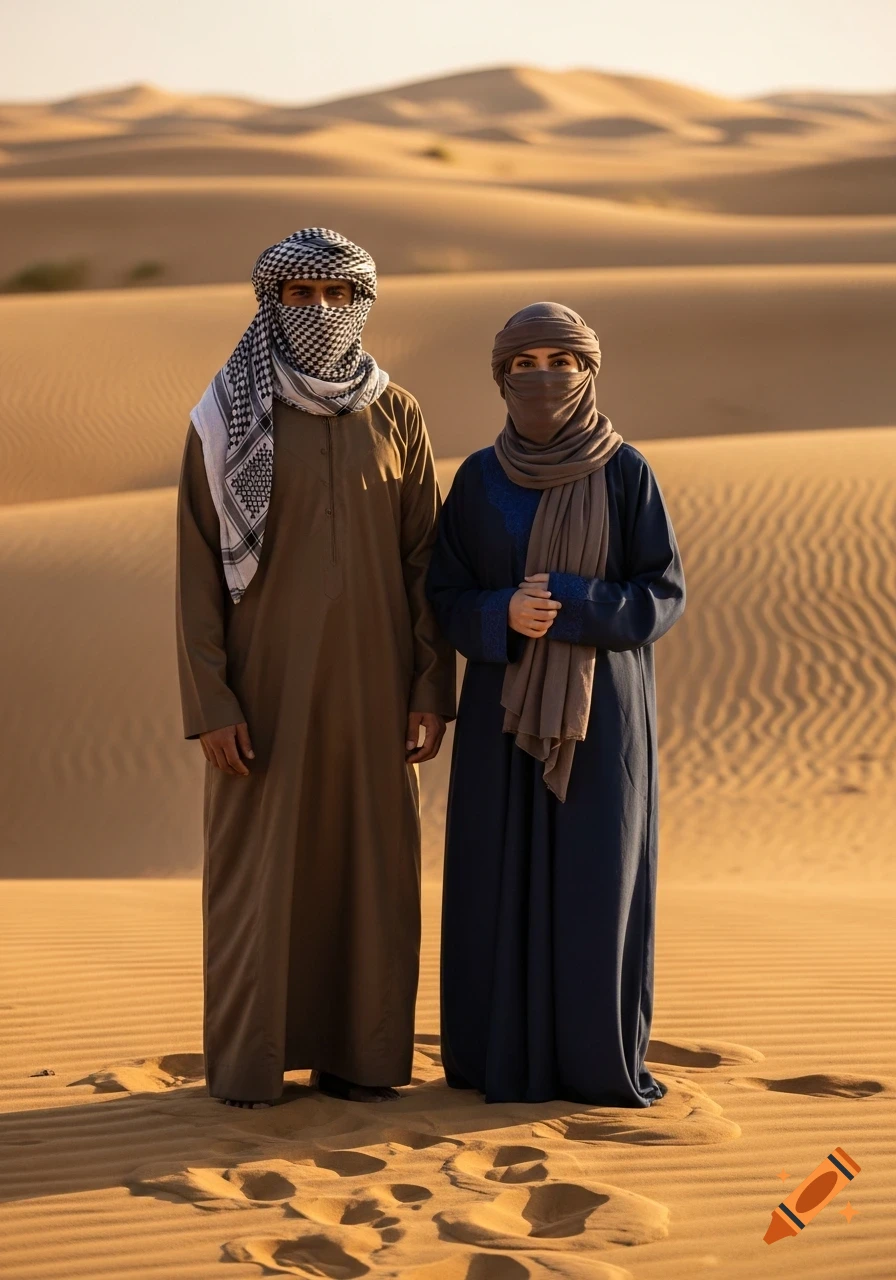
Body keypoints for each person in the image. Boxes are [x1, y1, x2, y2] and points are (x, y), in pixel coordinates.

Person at [176, 227, 455, 1107]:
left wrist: (429, 686)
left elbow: (425, 561)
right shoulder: (225, 415)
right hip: (266, 685)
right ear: (271, 304)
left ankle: (363, 1059)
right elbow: (195, 565)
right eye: (301, 295)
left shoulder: (396, 411)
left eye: (339, 295)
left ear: (364, 304)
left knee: (373, 866)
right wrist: (210, 701)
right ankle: (253, 1064)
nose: (321, 311)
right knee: (260, 872)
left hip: (377, 686)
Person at [425, 301, 685, 1106]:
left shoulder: (625, 471)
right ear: (502, 375)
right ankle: (497, 1062)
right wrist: (499, 612)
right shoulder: (476, 478)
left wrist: (573, 603)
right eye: (526, 363)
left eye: (561, 361)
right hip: (502, 710)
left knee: (592, 884)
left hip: (601, 714)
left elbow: (661, 594)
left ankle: (591, 1063)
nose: (544, 378)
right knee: (494, 880)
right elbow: (443, 593)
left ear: (589, 370)